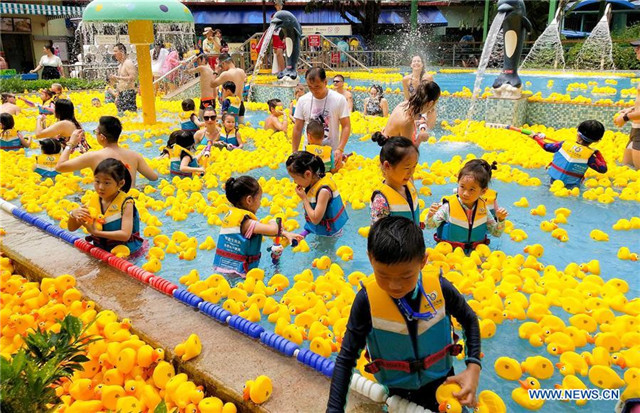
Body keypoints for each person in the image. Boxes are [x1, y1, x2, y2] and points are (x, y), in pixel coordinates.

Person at [327, 216, 481, 412]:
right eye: (382, 275)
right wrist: (334, 409)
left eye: (406, 276)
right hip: (397, 392)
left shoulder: (439, 288)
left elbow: (470, 319)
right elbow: (346, 358)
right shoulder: (366, 301)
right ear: (370, 259)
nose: (394, 285)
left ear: (423, 261)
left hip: (443, 383)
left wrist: (473, 367)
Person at [213, 176, 302, 278]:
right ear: (249, 200)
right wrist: (273, 220)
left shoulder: (232, 216)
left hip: (222, 269)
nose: (260, 203)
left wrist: (286, 234)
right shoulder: (248, 223)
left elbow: (264, 231)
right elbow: (273, 229)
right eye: (259, 198)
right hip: (239, 274)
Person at [68, 158, 145, 259]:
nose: (100, 187)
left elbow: (125, 235)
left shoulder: (126, 203)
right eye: (97, 181)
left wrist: (96, 233)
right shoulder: (93, 200)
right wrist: (73, 214)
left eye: (107, 183)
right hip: (101, 249)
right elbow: (71, 228)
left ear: (120, 183)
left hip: (126, 253)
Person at [426, 159, 507, 253]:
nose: (465, 193)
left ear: (483, 191)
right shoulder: (447, 207)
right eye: (462, 187)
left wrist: (501, 220)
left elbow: (496, 233)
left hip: (475, 254)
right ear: (458, 183)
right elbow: (429, 226)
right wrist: (430, 215)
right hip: (450, 255)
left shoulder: (483, 209)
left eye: (472, 189)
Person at [56, 116, 158, 187]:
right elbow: (154, 178)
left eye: (95, 132)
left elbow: (60, 167)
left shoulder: (93, 156)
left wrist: (71, 144)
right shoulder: (135, 156)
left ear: (102, 137)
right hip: (130, 203)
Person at [292, 67, 351, 171]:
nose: (314, 90)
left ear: (325, 82)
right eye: (310, 87)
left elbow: (346, 126)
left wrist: (340, 149)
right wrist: (294, 153)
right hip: (309, 152)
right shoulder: (303, 100)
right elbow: (297, 128)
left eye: (317, 87)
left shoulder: (339, 99)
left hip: (331, 153)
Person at [286, 151, 348, 237]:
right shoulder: (315, 181)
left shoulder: (323, 192)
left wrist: (304, 198)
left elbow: (315, 219)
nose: (294, 182)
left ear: (307, 174)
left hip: (330, 234)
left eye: (295, 178)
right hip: (321, 230)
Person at [533, 120, 607, 188]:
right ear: (597, 140)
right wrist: (598, 153)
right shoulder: (590, 156)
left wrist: (536, 137)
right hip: (573, 187)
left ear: (578, 134)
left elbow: (546, 146)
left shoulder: (564, 144)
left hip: (554, 183)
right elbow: (603, 169)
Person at [370, 135, 420, 226]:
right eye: (407, 168)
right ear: (387, 166)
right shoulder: (381, 201)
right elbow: (377, 236)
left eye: (414, 166)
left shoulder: (409, 186)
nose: (411, 172)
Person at [614, 39, 640, 169]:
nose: (637, 50)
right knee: (627, 167)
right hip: (636, 128)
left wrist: (625, 118)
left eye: (639, 48)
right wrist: (631, 110)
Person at [210, 54, 247, 124]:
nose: (222, 68)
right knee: (240, 128)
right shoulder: (241, 71)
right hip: (240, 104)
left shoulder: (226, 74)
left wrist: (216, 71)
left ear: (223, 63)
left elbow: (212, 84)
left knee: (228, 130)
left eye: (221, 66)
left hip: (230, 105)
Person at [185, 54, 217, 119]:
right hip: (211, 100)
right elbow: (214, 87)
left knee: (203, 120)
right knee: (207, 120)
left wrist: (192, 61)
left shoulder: (202, 68)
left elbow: (187, 71)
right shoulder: (211, 70)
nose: (198, 63)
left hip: (206, 100)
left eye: (199, 61)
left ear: (204, 60)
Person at [111, 43, 137, 113]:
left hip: (128, 93)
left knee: (130, 116)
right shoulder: (120, 65)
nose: (114, 54)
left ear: (122, 51)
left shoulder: (128, 63)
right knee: (122, 117)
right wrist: (117, 96)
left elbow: (133, 78)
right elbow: (121, 81)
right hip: (121, 94)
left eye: (116, 51)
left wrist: (117, 77)